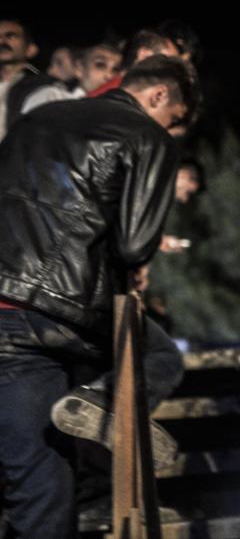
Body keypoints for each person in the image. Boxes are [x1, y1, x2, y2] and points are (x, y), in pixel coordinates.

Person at [0, 55, 199, 538]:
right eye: (173, 122)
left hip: (3, 313)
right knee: (161, 356)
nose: (171, 133)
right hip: (62, 311)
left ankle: (93, 403)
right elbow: (135, 244)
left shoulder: (34, 120)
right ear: (158, 97)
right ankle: (101, 400)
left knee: (38, 487)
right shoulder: (145, 135)